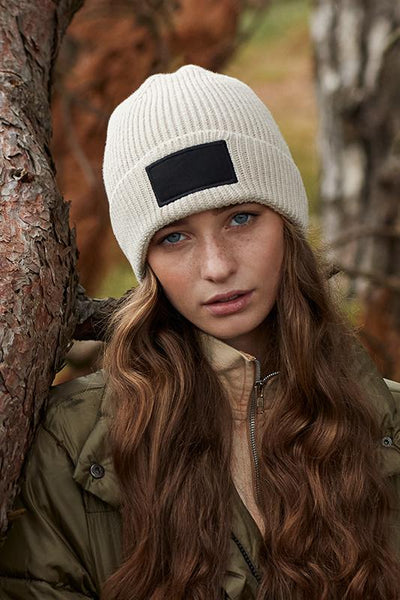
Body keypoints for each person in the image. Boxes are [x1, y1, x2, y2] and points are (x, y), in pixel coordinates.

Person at [0, 65, 399, 600]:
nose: (217, 267)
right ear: (145, 263)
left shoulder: (388, 424)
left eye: (241, 218)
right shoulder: (73, 444)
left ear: (287, 224)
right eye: (174, 237)